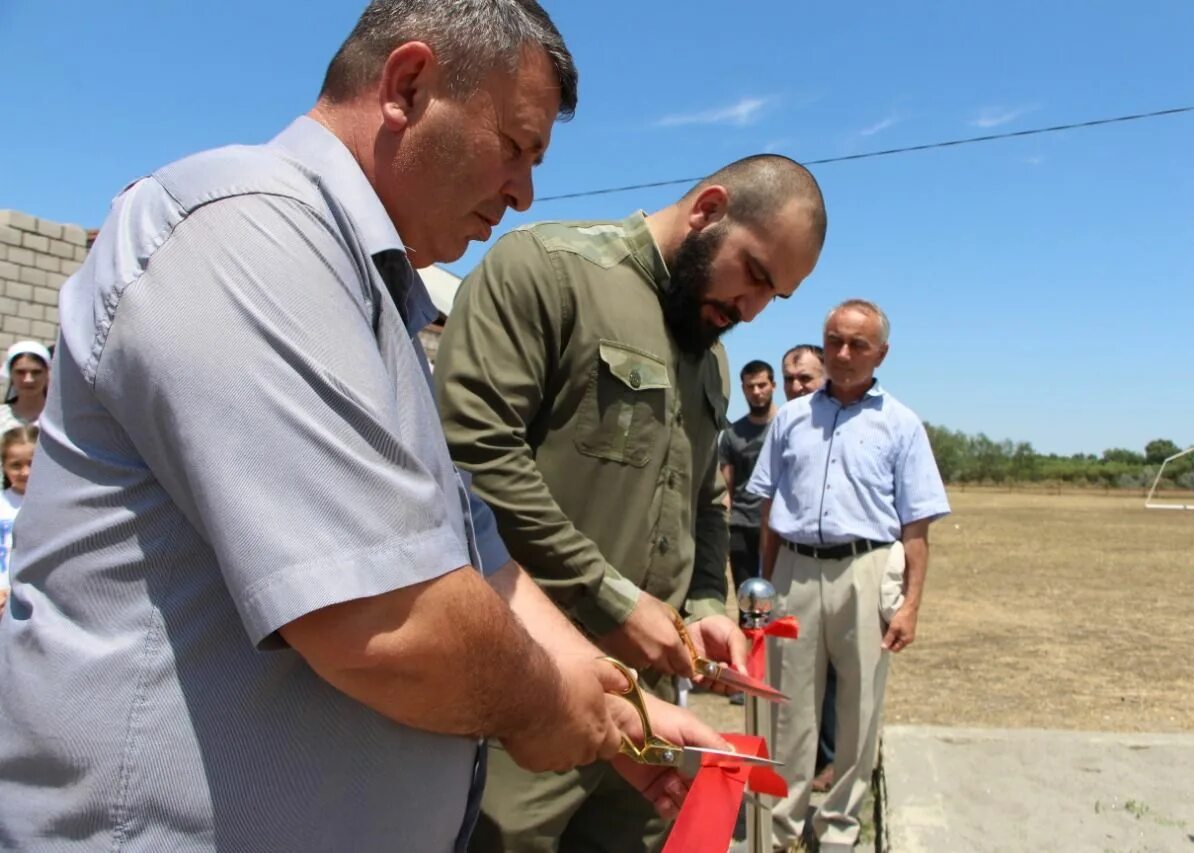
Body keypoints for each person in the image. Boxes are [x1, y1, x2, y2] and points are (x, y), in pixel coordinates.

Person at [0, 3, 722, 850]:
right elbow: (386, 622)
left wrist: (617, 709)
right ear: (407, 86)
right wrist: (551, 708)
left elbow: (479, 559)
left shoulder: (368, 294)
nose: (525, 191)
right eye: (516, 147)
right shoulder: (246, 229)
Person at [436, 154, 828, 851]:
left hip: (647, 711)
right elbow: (475, 458)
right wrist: (612, 601)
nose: (752, 310)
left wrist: (706, 603)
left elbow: (708, 494)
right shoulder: (549, 270)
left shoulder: (710, 358)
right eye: (756, 275)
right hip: (527, 691)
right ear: (709, 209)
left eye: (775, 299)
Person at [747, 300, 950, 850]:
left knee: (860, 707)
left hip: (867, 570)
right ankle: (780, 827)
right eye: (833, 340)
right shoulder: (792, 417)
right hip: (793, 570)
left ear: (881, 353)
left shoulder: (901, 424)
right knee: (787, 705)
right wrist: (762, 586)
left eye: (857, 344)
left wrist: (910, 605)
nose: (842, 353)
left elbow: (916, 526)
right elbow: (767, 509)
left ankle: (838, 827)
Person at [779, 342, 840, 793]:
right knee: (792, 676)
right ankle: (793, 771)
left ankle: (833, 761)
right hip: (792, 563)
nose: (797, 386)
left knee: (839, 675)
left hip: (850, 566)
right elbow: (766, 502)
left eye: (806, 377)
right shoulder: (784, 424)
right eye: (791, 378)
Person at [720, 359, 777, 592]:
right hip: (742, 528)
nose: (756, 392)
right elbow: (726, 488)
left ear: (773, 385)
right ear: (742, 388)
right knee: (748, 600)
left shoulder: (786, 426)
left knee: (779, 602)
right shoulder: (732, 435)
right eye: (750, 386)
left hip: (777, 526)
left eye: (762, 385)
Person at [0, 425, 36, 618]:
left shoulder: (48, 504)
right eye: (16, 464)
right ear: (4, 466)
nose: (25, 472)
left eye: (31, 463)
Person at [0, 341, 50, 433]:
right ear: (10, 374)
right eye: (20, 372)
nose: (28, 380)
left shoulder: (61, 420)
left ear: (47, 374)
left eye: (36, 372)